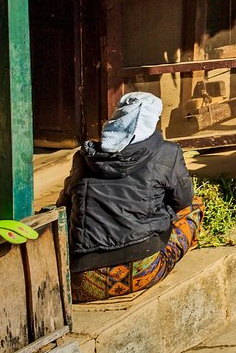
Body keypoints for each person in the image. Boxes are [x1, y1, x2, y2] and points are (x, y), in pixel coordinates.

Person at [63, 92, 201, 301]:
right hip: (143, 270)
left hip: (83, 282)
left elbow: (65, 203)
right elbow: (183, 200)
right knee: (195, 207)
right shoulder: (168, 152)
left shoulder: (83, 157)